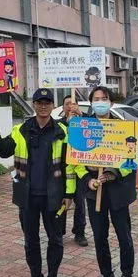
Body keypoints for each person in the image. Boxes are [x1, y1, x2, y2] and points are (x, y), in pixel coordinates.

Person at [0, 88, 76, 277]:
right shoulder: (21, 130)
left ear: (53, 106)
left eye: (47, 103)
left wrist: (69, 195)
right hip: (26, 196)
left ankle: (52, 275)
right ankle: (36, 275)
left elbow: (70, 166)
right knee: (30, 240)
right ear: (34, 105)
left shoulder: (64, 132)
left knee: (56, 240)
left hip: (55, 196)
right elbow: (4, 151)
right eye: (39, 103)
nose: (43, 106)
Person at [74, 86, 136, 277]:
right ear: (92, 103)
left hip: (118, 192)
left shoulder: (124, 127)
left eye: (104, 98)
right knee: (100, 237)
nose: (100, 102)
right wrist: (88, 180)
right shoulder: (83, 127)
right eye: (96, 99)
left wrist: (112, 174)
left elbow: (131, 162)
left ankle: (127, 273)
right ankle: (107, 274)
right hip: (95, 193)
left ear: (110, 102)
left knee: (123, 236)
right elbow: (76, 162)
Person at [57, 95, 88, 247]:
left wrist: (80, 119)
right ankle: (59, 232)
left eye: (73, 104)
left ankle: (80, 232)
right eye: (67, 104)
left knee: (80, 203)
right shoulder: (58, 126)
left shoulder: (85, 123)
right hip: (62, 172)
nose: (70, 106)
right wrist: (69, 127)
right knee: (62, 202)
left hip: (80, 171)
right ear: (63, 108)